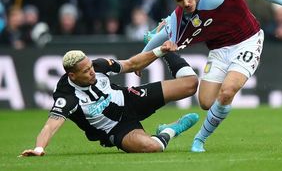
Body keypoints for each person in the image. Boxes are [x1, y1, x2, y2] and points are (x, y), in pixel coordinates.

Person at [141, 0, 282, 152]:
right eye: (179, 0)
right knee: (206, 102)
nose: (186, 3)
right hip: (218, 51)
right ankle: (174, 127)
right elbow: (157, 38)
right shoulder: (178, 19)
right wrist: (141, 59)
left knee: (227, 92)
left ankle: (199, 140)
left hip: (247, 41)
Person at [20, 40, 200, 156]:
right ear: (72, 76)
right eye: (85, 71)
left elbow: (131, 64)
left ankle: (171, 54)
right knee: (154, 147)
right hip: (116, 129)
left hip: (130, 99)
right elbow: (50, 126)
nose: (92, 72)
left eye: (90, 67)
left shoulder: (98, 66)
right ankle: (170, 130)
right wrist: (38, 148)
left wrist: (161, 50)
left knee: (190, 84)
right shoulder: (67, 96)